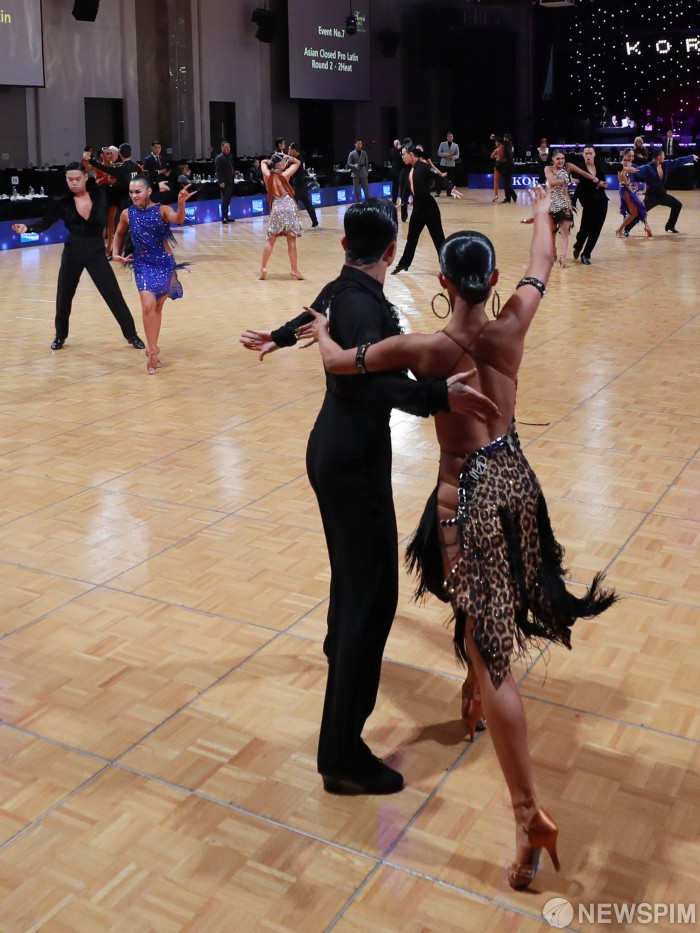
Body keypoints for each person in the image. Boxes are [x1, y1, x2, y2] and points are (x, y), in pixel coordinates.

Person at [310, 186, 617, 883]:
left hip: (466, 499)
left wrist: (324, 331)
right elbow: (543, 263)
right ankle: (473, 697)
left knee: (491, 649)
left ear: (443, 283)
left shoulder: (425, 347)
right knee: (481, 613)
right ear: (493, 279)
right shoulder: (514, 324)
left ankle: (528, 810)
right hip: (516, 483)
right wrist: (546, 210)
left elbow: (337, 364)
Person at [239, 198, 500, 795]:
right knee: (375, 597)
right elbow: (374, 385)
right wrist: (437, 396)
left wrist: (279, 337)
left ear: (344, 246)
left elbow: (316, 310)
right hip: (351, 459)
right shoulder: (362, 304)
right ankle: (342, 755)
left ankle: (340, 642)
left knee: (355, 580)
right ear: (391, 249)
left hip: (335, 450)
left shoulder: (345, 288)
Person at [11, 162, 145, 352]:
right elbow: (46, 221)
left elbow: (125, 185)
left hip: (96, 253)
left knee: (113, 293)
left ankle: (131, 334)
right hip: (73, 252)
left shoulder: (101, 194)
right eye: (70, 179)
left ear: (85, 178)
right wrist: (28, 228)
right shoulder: (63, 203)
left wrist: (153, 186)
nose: (73, 183)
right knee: (64, 295)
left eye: (77, 179)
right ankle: (60, 335)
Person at [111, 174, 194, 373]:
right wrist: (115, 253)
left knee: (157, 306)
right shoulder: (127, 214)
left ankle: (153, 345)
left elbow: (179, 219)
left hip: (164, 264)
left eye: (138, 191)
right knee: (148, 306)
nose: (134, 195)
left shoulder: (162, 210)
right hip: (142, 265)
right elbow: (118, 233)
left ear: (149, 191)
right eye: (131, 192)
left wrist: (181, 204)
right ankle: (153, 350)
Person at [392, 145, 446, 275]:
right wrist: (402, 203)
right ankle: (404, 264)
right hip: (418, 208)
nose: (402, 157)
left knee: (438, 239)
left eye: (404, 154)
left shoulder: (423, 166)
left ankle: (448, 266)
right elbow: (408, 188)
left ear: (411, 155)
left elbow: (438, 177)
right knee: (412, 237)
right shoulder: (410, 170)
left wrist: (451, 187)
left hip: (429, 208)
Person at [544, 151, 597, 268]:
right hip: (550, 203)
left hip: (564, 202)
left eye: (562, 158)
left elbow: (583, 173)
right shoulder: (548, 168)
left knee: (564, 232)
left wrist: (596, 180)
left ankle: (563, 258)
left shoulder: (568, 167)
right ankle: (553, 251)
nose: (561, 161)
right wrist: (567, 180)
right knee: (552, 231)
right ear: (552, 159)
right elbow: (552, 182)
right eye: (558, 159)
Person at [259, 152, 304, 280]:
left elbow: (262, 162)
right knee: (291, 240)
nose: (285, 164)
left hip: (277, 208)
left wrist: (269, 161)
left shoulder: (267, 175)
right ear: (279, 165)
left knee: (271, 240)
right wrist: (287, 156)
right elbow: (298, 163)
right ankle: (294, 270)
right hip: (289, 207)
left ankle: (263, 268)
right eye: (283, 162)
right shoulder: (285, 175)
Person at [633, 147, 698, 233]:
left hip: (662, 195)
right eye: (663, 155)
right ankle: (627, 228)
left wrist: (691, 157)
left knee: (677, 205)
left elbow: (678, 161)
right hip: (652, 196)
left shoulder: (665, 164)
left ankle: (670, 226)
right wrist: (627, 169)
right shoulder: (648, 167)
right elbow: (637, 170)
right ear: (659, 157)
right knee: (640, 212)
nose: (664, 157)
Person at [571, 146, 609, 264]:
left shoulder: (599, 165)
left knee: (596, 229)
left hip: (602, 200)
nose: (588, 155)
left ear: (594, 154)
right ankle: (578, 245)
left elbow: (614, 167)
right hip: (588, 202)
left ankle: (586, 254)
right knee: (585, 228)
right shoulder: (580, 168)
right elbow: (574, 178)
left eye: (590, 153)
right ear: (583, 155)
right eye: (586, 153)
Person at [615, 148, 652, 239]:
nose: (631, 158)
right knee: (634, 212)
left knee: (639, 207)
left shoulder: (628, 164)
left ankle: (647, 226)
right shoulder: (624, 164)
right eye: (629, 156)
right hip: (625, 189)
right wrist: (628, 185)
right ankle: (620, 230)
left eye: (632, 156)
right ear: (624, 155)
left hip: (628, 189)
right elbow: (622, 176)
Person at [288, 143, 319, 228]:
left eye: (289, 150)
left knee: (291, 204)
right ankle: (315, 221)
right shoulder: (301, 159)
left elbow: (294, 172)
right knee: (308, 204)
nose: (288, 151)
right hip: (302, 186)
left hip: (298, 186)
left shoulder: (297, 161)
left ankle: (292, 225)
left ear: (294, 150)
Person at [491, 133, 516, 204]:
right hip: (508, 165)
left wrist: (494, 136)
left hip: (508, 165)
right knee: (506, 183)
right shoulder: (510, 145)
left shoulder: (508, 144)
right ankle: (508, 198)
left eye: (505, 138)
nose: (504, 139)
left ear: (507, 139)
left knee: (506, 183)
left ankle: (513, 195)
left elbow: (500, 140)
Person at [214, 140, 235, 224]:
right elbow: (218, 171)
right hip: (224, 182)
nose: (228, 148)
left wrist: (233, 172)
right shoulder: (219, 157)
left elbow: (228, 169)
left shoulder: (228, 157)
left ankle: (226, 216)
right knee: (225, 200)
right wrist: (221, 182)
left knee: (228, 200)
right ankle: (224, 218)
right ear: (222, 147)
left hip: (230, 181)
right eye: (226, 147)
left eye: (229, 147)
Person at [388, 138, 403, 204]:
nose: (399, 144)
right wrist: (399, 149)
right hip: (395, 171)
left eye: (399, 143)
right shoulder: (392, 150)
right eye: (397, 143)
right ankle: (394, 200)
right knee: (395, 186)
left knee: (402, 186)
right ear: (395, 144)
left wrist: (400, 149)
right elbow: (394, 157)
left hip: (401, 170)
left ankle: (403, 200)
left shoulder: (402, 150)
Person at [490, 136, 504, 202]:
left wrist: (494, 137)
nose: (495, 143)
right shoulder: (499, 149)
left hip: (500, 165)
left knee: (496, 181)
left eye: (496, 142)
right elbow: (491, 156)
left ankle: (496, 195)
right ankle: (496, 195)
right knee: (497, 181)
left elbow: (492, 156)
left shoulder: (499, 149)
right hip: (500, 165)